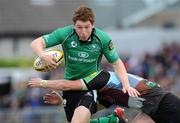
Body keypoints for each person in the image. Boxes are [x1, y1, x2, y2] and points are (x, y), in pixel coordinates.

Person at [30, 5, 139, 123]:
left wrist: (126, 85)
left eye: (87, 27)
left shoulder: (102, 38)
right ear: (74, 26)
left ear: (92, 24)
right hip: (69, 88)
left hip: (90, 87)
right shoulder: (65, 34)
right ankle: (112, 120)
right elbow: (36, 43)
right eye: (79, 27)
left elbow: (117, 63)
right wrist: (42, 55)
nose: (83, 32)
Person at [28, 70, 180, 123]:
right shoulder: (101, 95)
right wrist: (62, 101)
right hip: (150, 110)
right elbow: (90, 111)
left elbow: (68, 85)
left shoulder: (102, 77)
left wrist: (43, 83)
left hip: (165, 103)